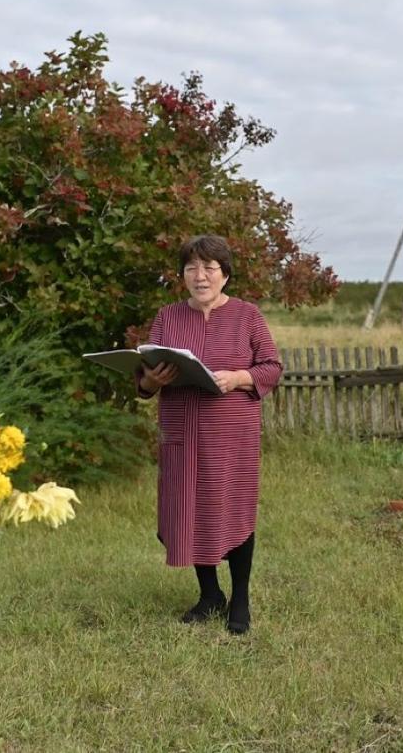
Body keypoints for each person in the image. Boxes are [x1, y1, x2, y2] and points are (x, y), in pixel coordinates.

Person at [137, 234, 283, 634]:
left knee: (231, 510)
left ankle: (240, 599)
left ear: (225, 275)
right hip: (181, 432)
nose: (200, 276)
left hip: (231, 436)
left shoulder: (248, 316)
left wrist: (239, 377)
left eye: (209, 268)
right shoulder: (167, 318)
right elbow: (146, 385)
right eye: (191, 268)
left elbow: (272, 367)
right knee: (188, 512)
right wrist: (151, 378)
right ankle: (209, 595)